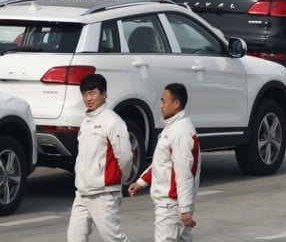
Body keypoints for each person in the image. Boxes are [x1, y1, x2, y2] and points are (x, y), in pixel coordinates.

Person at [128, 83, 200, 242]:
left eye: (163, 101)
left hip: (171, 206)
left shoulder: (181, 132)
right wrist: (141, 182)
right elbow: (161, 163)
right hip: (175, 205)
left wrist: (185, 209)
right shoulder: (173, 127)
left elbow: (184, 174)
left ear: (176, 104)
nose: (160, 105)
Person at [67, 73, 134, 242]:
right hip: (82, 192)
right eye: (84, 94)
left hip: (104, 194)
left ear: (104, 94)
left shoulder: (113, 121)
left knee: (113, 239)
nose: (88, 98)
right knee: (75, 238)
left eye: (92, 93)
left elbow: (125, 156)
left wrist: (118, 180)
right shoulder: (86, 122)